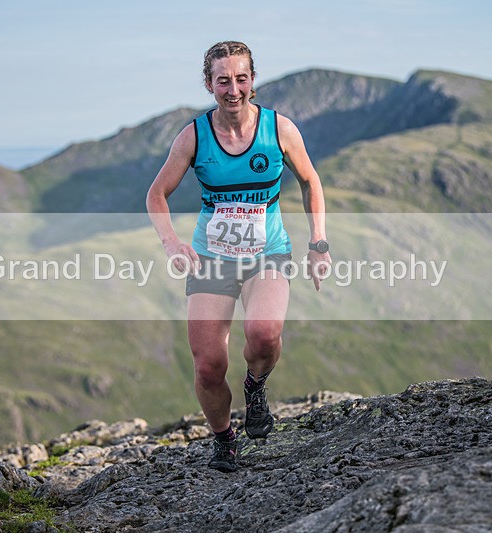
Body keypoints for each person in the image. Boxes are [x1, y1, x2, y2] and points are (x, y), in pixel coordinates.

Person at [146, 41, 331, 472]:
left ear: (253, 79)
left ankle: (255, 386)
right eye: (223, 80)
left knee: (265, 334)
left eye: (241, 78)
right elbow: (157, 194)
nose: (233, 89)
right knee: (209, 363)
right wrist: (172, 242)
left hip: (268, 251)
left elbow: (310, 181)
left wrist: (318, 241)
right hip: (212, 258)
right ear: (209, 84)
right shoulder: (194, 136)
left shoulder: (279, 129)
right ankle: (224, 438)